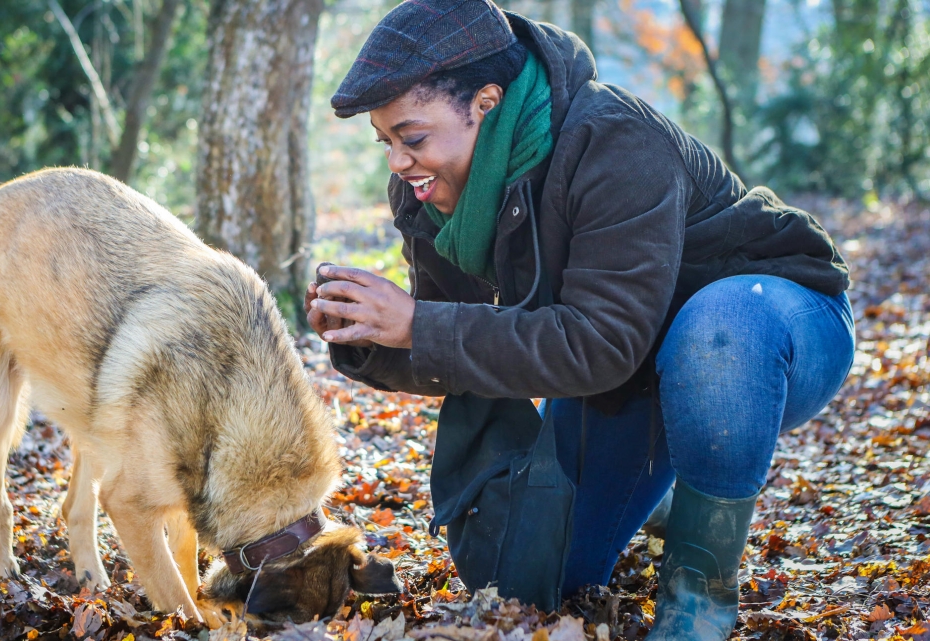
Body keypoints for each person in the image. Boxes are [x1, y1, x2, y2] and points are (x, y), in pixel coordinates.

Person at [304, 1, 854, 639]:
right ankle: (664, 494)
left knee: (717, 332)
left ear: (485, 101)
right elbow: (462, 344)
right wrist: (371, 334)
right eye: (387, 141)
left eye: (413, 137)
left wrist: (417, 324)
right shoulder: (431, 188)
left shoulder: (613, 138)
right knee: (526, 580)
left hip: (773, 327)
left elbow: (598, 342)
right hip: (633, 371)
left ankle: (699, 595)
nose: (398, 161)